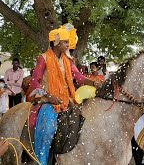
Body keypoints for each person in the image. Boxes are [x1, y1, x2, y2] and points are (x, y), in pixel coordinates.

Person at [30, 26, 101, 165]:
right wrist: (49, 96)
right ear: (56, 42)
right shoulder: (43, 58)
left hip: (67, 101)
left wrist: (94, 83)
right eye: (65, 42)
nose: (68, 45)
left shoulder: (67, 60)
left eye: (68, 42)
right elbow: (34, 83)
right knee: (48, 130)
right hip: (48, 102)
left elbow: (79, 77)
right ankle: (41, 161)